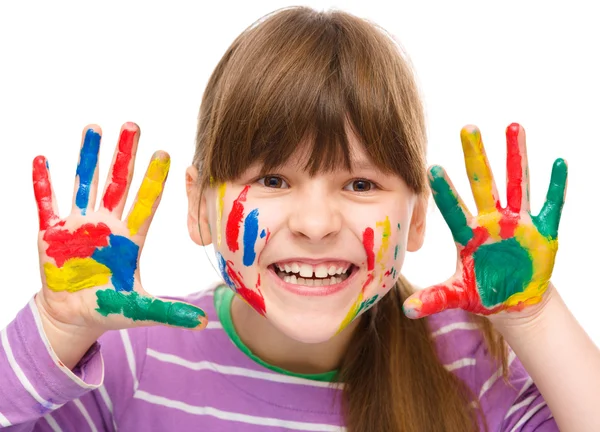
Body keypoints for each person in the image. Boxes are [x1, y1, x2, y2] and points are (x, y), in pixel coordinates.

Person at [1, 6, 598, 432]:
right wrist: (60, 330)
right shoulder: (133, 361)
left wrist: (534, 316)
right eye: (272, 180)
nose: (316, 223)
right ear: (196, 208)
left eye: (361, 183)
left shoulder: (471, 365)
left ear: (417, 219)